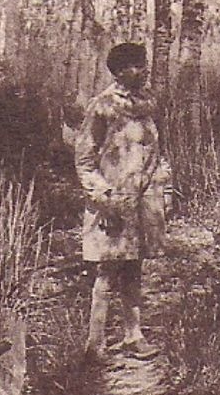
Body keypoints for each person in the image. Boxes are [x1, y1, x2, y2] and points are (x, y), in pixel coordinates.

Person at [74, 41, 172, 360]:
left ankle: (134, 334)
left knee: (133, 267)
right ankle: (95, 342)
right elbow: (85, 160)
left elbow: (158, 151)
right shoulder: (101, 106)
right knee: (107, 271)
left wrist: (163, 190)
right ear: (119, 72)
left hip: (143, 201)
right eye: (136, 65)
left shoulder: (148, 103)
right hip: (113, 203)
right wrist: (104, 199)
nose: (143, 70)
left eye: (144, 64)